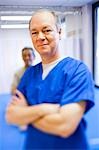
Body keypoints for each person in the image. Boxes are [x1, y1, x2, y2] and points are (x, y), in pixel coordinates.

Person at [6, 9, 94, 149]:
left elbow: (64, 126)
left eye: (46, 30)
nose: (40, 37)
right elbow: (11, 116)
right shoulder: (29, 74)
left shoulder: (77, 71)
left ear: (59, 32)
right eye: (34, 32)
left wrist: (27, 112)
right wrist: (43, 109)